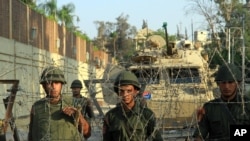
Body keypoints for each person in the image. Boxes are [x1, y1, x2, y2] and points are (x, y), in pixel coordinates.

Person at [28, 66, 91, 141]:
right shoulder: (37, 107)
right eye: (49, 83)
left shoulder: (73, 103)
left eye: (57, 83)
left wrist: (77, 115)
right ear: (44, 85)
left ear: (61, 85)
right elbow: (32, 135)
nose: (53, 87)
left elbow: (87, 133)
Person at [192, 63, 250, 141]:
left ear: (237, 83)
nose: (226, 86)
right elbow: (199, 135)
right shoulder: (209, 108)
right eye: (223, 82)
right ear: (218, 84)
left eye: (230, 82)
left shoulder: (247, 105)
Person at [103, 70, 163, 141]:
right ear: (117, 93)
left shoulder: (146, 115)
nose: (125, 95)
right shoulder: (110, 116)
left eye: (129, 91)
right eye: (121, 91)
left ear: (135, 92)